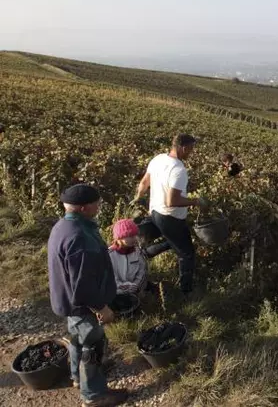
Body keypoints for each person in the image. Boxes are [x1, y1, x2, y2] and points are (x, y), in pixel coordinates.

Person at [47, 184, 128, 406]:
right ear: (84, 208)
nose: (100, 205)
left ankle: (77, 377)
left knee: (77, 339)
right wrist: (101, 307)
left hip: (68, 302)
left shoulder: (62, 225)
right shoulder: (80, 237)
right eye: (97, 203)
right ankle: (94, 396)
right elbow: (82, 284)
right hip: (83, 305)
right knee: (93, 345)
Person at [134, 134, 206, 297]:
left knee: (173, 240)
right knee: (186, 253)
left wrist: (137, 198)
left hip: (155, 211)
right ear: (183, 148)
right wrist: (196, 202)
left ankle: (146, 254)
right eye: (191, 149)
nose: (192, 152)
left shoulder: (158, 159)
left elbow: (144, 182)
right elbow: (172, 200)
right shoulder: (179, 170)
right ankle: (185, 292)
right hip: (170, 217)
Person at [108, 219, 148, 295]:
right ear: (119, 238)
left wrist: (136, 286)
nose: (134, 238)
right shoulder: (109, 255)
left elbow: (142, 271)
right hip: (115, 292)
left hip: (136, 291)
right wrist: (122, 286)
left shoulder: (138, 253)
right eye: (130, 236)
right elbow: (109, 276)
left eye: (135, 235)